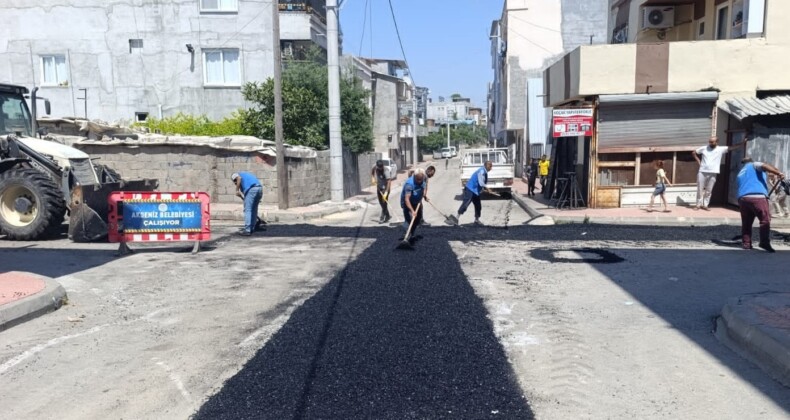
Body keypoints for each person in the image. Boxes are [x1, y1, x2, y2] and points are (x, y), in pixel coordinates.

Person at [736, 157, 785, 252]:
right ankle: (764, 242)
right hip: (757, 197)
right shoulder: (754, 164)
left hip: (743, 199)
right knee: (765, 220)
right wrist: (778, 173)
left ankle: (746, 244)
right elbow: (764, 166)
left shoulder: (741, 173)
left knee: (746, 223)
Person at [693, 136, 745, 210]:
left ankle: (705, 205)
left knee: (709, 190)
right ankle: (698, 205)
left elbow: (731, 147)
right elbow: (694, 152)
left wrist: (742, 143)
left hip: (713, 172)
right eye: (709, 141)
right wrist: (699, 162)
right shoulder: (704, 148)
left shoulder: (720, 149)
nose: (710, 143)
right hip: (702, 171)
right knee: (700, 189)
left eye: (712, 142)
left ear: (717, 142)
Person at [456, 161, 493, 226]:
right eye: (490, 166)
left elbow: (481, 184)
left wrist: (483, 189)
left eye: (491, 166)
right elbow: (481, 182)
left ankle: (476, 220)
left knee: (478, 205)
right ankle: (456, 218)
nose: (491, 168)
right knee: (465, 204)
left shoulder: (485, 172)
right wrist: (487, 188)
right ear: (486, 165)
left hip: (475, 191)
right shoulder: (481, 171)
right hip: (470, 189)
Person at [231, 172, 262, 236]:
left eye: (235, 182)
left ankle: (247, 230)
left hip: (252, 189)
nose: (235, 184)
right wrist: (240, 196)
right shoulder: (246, 180)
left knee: (247, 210)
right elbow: (246, 198)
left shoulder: (237, 175)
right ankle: (252, 227)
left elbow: (238, 178)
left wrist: (237, 190)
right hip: (259, 189)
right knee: (253, 209)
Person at [400, 168, 428, 240]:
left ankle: (411, 234)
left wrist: (424, 195)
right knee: (409, 219)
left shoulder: (423, 179)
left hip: (417, 201)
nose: (419, 181)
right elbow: (407, 199)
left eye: (420, 179)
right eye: (418, 179)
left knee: (418, 218)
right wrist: (412, 211)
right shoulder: (409, 184)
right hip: (407, 203)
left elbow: (424, 186)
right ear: (414, 176)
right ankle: (405, 237)